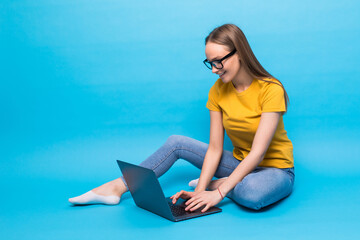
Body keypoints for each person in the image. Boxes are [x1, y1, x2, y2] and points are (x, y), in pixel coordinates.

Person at [69, 23, 295, 211]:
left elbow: (258, 153)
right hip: (238, 163)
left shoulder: (270, 89)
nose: (215, 69)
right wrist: (199, 192)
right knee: (176, 143)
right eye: (210, 63)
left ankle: (228, 183)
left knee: (252, 194)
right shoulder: (217, 90)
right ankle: (116, 187)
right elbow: (215, 148)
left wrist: (217, 192)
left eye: (219, 61)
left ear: (240, 53)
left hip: (275, 170)